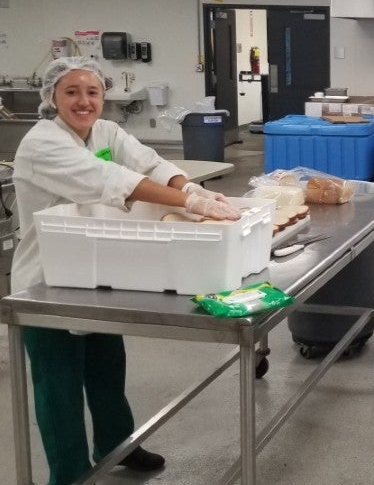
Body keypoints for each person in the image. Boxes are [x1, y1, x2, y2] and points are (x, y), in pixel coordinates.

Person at [11, 56, 242, 484]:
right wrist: (190, 203)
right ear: (52, 97)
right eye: (72, 92)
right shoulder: (43, 143)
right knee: (58, 384)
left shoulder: (106, 131)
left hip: (98, 265)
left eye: (92, 91)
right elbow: (110, 179)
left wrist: (187, 185)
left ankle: (117, 445)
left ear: (103, 96)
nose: (84, 101)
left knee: (106, 363)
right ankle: (69, 473)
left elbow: (148, 163)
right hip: (48, 278)